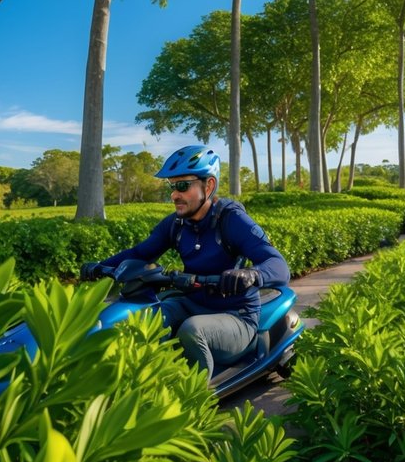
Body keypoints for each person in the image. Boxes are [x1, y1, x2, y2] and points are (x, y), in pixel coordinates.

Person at [80, 144, 290, 378]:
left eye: (182, 186)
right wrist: (99, 266)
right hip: (191, 304)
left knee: (192, 330)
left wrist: (252, 275)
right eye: (172, 187)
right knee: (146, 320)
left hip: (236, 315)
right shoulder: (177, 224)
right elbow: (140, 253)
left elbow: (278, 264)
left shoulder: (231, 220)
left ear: (208, 186)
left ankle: (194, 399)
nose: (174, 195)